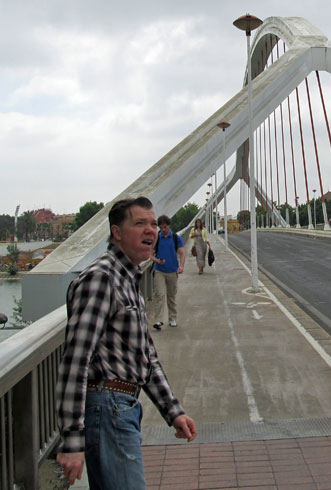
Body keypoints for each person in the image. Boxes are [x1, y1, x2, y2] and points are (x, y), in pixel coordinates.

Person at [55, 196, 196, 489]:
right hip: (107, 408)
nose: (151, 230)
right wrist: (71, 440)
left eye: (154, 224)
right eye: (140, 223)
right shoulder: (102, 280)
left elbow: (146, 357)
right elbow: (75, 360)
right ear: (117, 233)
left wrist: (174, 411)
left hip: (122, 407)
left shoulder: (126, 279)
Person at [150, 215, 185, 329]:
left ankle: (172, 318)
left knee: (171, 296)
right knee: (159, 295)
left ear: (168, 226)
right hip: (159, 270)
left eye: (165, 227)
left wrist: (181, 266)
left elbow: (182, 253)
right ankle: (158, 320)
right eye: (161, 227)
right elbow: (150, 254)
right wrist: (157, 261)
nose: (163, 230)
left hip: (172, 271)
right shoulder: (157, 238)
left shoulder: (176, 238)